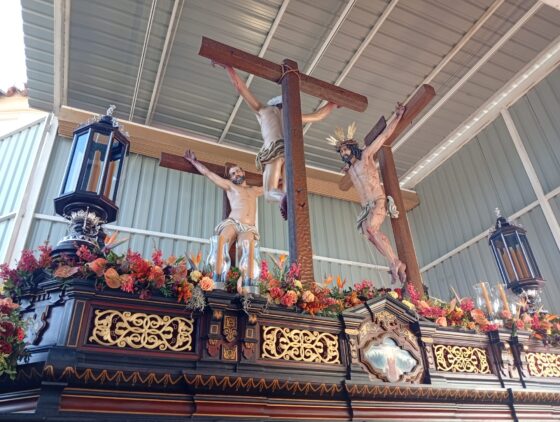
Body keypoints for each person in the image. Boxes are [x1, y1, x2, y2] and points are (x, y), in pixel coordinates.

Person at [222, 64, 337, 219]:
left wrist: (228, 67)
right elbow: (319, 116)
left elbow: (240, 87)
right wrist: (333, 104)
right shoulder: (293, 115)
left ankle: (282, 198)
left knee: (270, 192)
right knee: (289, 190)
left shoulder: (263, 111)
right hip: (291, 152)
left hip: (273, 150)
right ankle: (287, 199)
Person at [327, 105, 407, 284]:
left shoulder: (366, 156)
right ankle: (394, 262)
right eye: (341, 151)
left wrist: (397, 117)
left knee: (371, 228)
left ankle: (395, 263)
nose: (343, 153)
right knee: (368, 234)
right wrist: (347, 167)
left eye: (345, 149)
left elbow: (383, 136)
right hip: (365, 208)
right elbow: (350, 171)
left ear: (352, 147)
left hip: (377, 201)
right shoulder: (350, 169)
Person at [184, 150, 263, 247]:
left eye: (238, 171)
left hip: (248, 227)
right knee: (221, 244)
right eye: (233, 174)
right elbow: (208, 173)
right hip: (233, 223)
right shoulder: (230, 186)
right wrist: (194, 161)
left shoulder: (254, 190)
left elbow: (271, 187)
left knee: (246, 249)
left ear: (243, 173)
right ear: (231, 178)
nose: (236, 174)